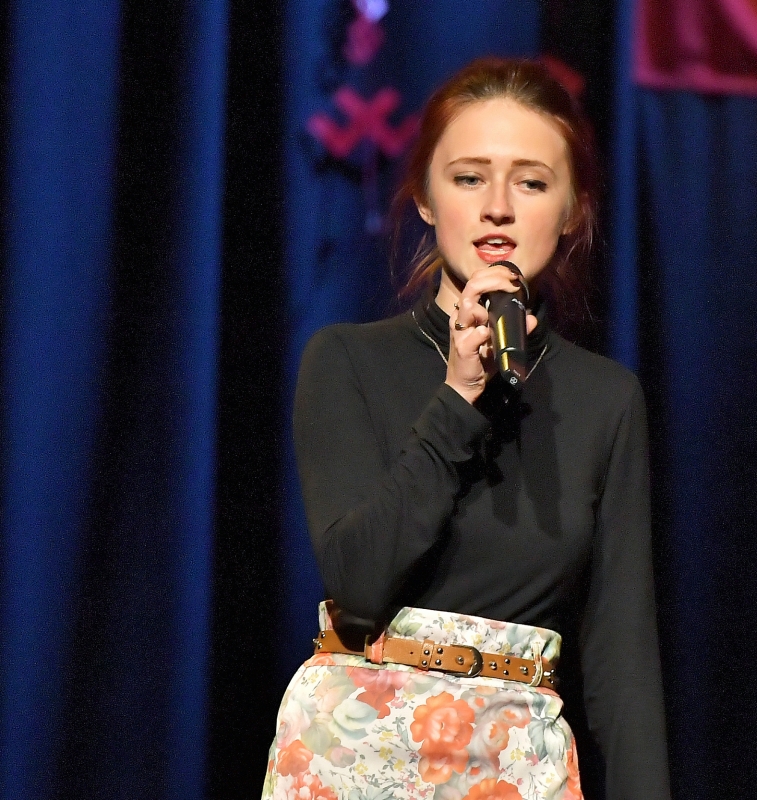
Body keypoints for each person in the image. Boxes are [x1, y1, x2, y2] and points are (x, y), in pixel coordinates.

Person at [261, 58, 670, 800]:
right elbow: (358, 584)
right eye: (470, 178)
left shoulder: (604, 399)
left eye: (532, 183)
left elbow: (623, 663)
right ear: (424, 196)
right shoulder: (346, 360)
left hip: (514, 768)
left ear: (573, 209)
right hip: (354, 756)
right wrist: (458, 397)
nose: (498, 209)